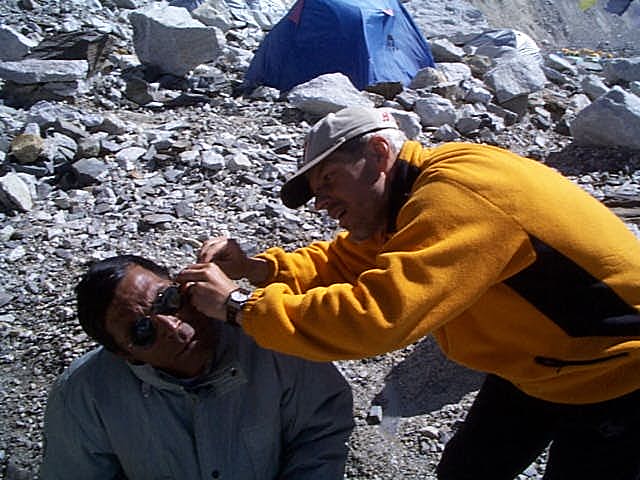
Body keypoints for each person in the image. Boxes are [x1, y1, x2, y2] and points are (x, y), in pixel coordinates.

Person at [176, 106, 640, 479]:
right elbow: (344, 262)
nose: (322, 203)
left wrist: (239, 307)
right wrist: (257, 269)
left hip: (619, 371)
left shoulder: (457, 196)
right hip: (541, 365)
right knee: (467, 470)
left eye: (330, 180)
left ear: (379, 152)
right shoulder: (410, 195)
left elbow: (376, 317)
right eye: (317, 192)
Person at [40, 255, 353, 480]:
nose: (174, 327)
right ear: (125, 354)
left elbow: (322, 426)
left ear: (183, 284)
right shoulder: (84, 396)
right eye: (143, 331)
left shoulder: (269, 341)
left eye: (168, 300)